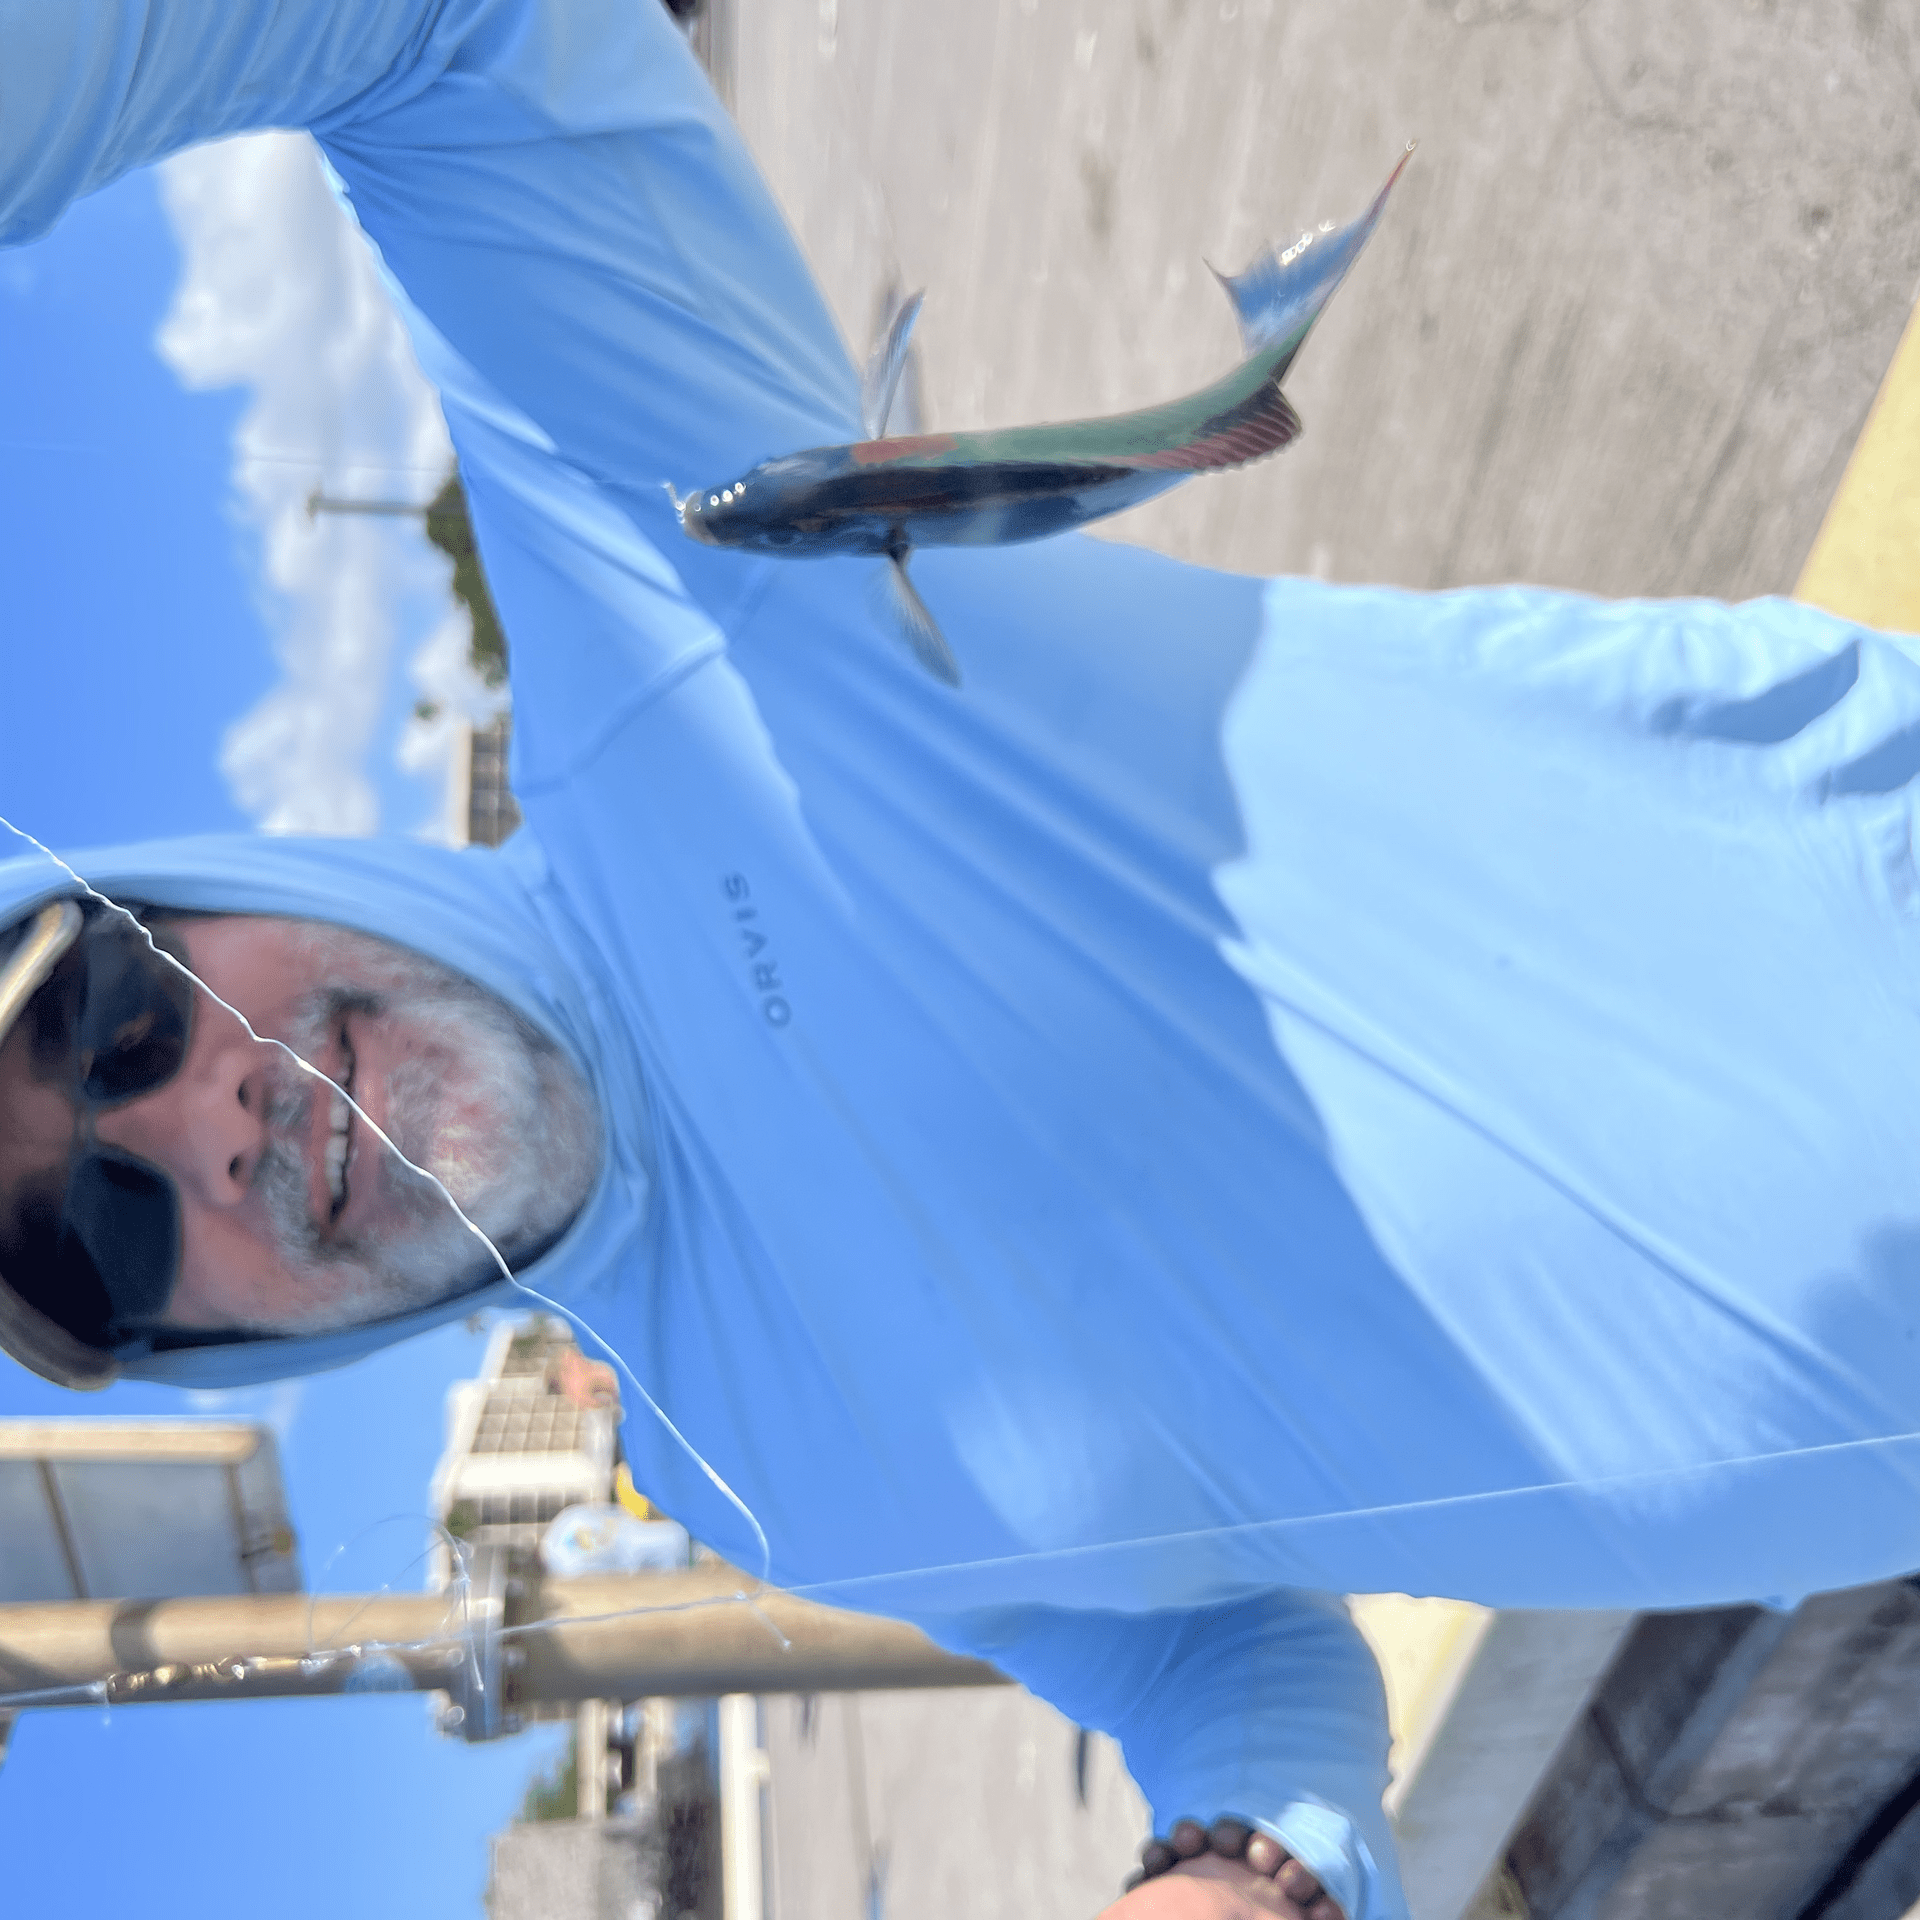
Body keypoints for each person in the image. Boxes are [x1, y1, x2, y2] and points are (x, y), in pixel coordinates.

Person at [5, 6, 1920, 1918]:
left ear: (165, 892)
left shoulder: (653, 578)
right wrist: (1247, 1865)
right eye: (100, 1234)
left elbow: (453, 29)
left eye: (109, 1016)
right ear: (187, 1349)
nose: (205, 1121)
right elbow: (1217, 1645)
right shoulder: (744, 1480)